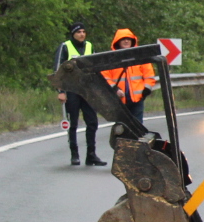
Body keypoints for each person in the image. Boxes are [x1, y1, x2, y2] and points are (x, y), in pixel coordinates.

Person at [54, 22, 103, 167]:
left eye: (83, 31)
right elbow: (58, 70)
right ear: (73, 34)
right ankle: (74, 154)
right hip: (71, 90)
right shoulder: (65, 46)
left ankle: (91, 155)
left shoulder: (89, 46)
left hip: (87, 91)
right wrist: (61, 91)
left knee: (92, 122)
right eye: (78, 32)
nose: (82, 34)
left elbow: (95, 68)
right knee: (73, 123)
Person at [102, 28, 158, 127]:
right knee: (121, 128)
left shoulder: (140, 57)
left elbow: (149, 74)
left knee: (138, 127)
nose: (126, 41)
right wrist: (115, 89)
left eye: (129, 39)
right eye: (123, 39)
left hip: (137, 99)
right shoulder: (110, 59)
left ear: (133, 41)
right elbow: (105, 77)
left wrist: (146, 89)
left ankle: (136, 142)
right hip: (119, 100)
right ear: (117, 41)